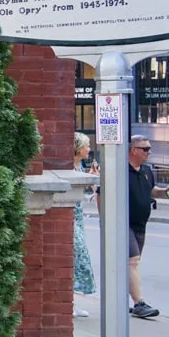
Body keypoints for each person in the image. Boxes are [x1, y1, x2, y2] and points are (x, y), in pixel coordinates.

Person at [127, 134, 167, 319]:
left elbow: (152, 190)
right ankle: (139, 303)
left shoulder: (146, 170)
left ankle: (120, 299)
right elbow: (101, 194)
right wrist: (106, 221)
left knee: (129, 265)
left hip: (140, 225)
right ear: (134, 150)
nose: (149, 152)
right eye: (145, 149)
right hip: (122, 224)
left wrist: (166, 193)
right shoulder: (119, 170)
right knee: (132, 261)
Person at [72, 133, 98, 316]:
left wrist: (91, 179)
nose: (89, 149)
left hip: (78, 214)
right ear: (78, 148)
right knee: (76, 254)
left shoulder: (80, 166)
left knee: (76, 258)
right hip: (70, 214)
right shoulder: (68, 166)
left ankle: (72, 302)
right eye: (87, 146)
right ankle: (69, 302)